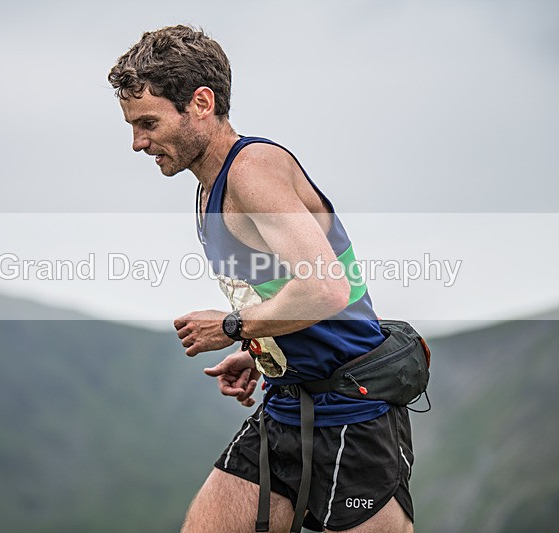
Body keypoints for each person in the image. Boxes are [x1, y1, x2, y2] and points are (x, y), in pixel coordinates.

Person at [109, 25, 415, 533]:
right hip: (290, 401)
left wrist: (232, 327)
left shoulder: (253, 168)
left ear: (201, 103)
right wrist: (262, 346)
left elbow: (326, 288)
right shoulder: (209, 185)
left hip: (354, 414)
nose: (138, 143)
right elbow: (284, 290)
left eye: (148, 122)